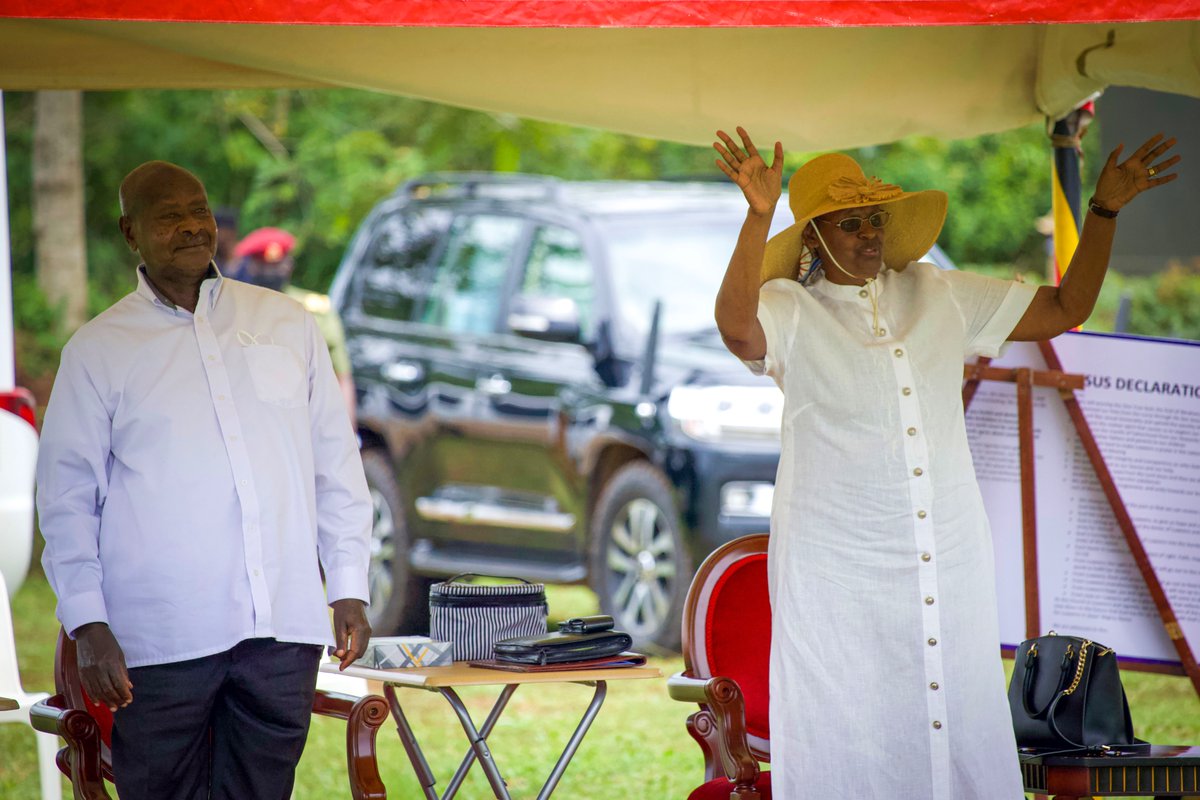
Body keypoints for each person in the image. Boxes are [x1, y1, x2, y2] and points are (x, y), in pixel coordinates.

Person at [712, 126, 1178, 799]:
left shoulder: (936, 290)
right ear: (813, 236)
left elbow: (1065, 307)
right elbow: (737, 330)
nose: (870, 234)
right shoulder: (789, 307)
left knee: (954, 707)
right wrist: (759, 216)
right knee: (848, 716)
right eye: (850, 223)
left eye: (876, 218)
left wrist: (1103, 211)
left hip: (947, 551)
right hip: (838, 563)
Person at [35, 161, 373, 800]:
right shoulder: (99, 349)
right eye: (170, 217)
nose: (193, 227)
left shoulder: (287, 323)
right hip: (162, 635)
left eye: (200, 211)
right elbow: (67, 499)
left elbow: (335, 463)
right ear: (130, 232)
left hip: (282, 629)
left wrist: (348, 587)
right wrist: (88, 623)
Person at [231, 226, 357, 429]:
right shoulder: (231, 310)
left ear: (289, 265)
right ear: (252, 266)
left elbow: (341, 377)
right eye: (265, 266)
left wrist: (348, 433)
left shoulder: (314, 312)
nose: (272, 272)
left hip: (304, 426)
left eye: (277, 265)